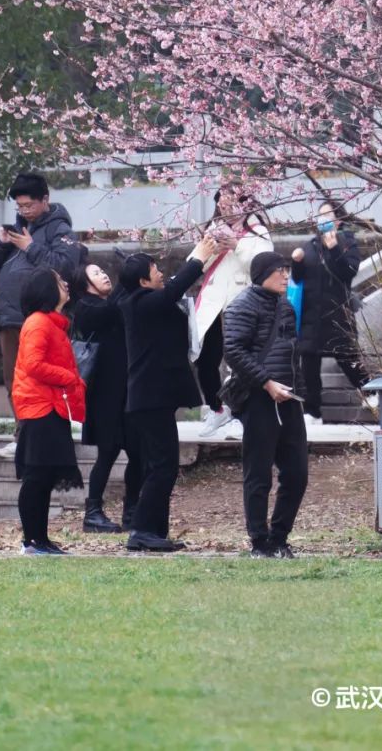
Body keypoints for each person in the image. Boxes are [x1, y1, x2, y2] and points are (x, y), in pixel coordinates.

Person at [118, 233, 218, 552]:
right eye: (154, 268)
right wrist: (198, 256)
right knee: (163, 466)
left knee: (160, 466)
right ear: (143, 281)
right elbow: (174, 287)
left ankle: (155, 531)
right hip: (149, 399)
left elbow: (173, 290)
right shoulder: (139, 304)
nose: (160, 271)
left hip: (153, 399)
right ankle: (142, 530)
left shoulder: (145, 303)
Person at [0, 170, 85, 455]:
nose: (25, 211)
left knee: (40, 379)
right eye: (20, 206)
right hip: (10, 316)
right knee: (14, 380)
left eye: (29, 205)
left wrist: (31, 247)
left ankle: (35, 439)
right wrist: (2, 243)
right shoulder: (17, 227)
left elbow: (66, 267)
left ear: (45, 200)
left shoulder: (59, 229)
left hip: (39, 318)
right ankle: (23, 437)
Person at [223, 249, 307, 558]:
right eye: (280, 271)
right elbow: (233, 350)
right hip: (259, 397)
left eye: (287, 270)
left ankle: (279, 537)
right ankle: (259, 542)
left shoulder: (286, 306)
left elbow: (291, 350)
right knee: (258, 473)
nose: (286, 276)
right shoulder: (241, 306)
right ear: (263, 275)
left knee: (297, 473)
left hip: (288, 398)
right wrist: (266, 383)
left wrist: (297, 390)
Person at [11, 266, 86, 556]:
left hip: (51, 405)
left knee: (43, 478)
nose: (65, 284)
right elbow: (34, 365)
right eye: (58, 281)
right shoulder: (38, 323)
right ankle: (31, 541)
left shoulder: (51, 323)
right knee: (36, 477)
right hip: (39, 407)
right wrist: (70, 377)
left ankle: (40, 540)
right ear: (46, 290)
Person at [190, 189, 273, 435]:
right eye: (222, 205)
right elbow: (192, 265)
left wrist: (236, 246)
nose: (226, 210)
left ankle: (239, 412)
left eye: (231, 204)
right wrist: (208, 249)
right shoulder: (212, 229)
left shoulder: (257, 231)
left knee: (238, 361)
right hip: (212, 304)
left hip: (242, 303)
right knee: (205, 359)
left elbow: (264, 266)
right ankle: (216, 409)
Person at [289, 198, 376, 427]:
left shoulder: (347, 242)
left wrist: (334, 248)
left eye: (329, 216)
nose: (324, 221)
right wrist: (296, 263)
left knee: (347, 357)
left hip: (337, 313)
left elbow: (348, 272)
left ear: (339, 221)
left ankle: (370, 391)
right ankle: (312, 411)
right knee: (308, 365)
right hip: (310, 316)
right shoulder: (310, 245)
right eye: (320, 217)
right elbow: (297, 279)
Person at [71, 262, 141, 534]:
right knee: (108, 452)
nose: (104, 275)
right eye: (96, 273)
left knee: (136, 452)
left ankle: (131, 510)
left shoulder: (106, 304)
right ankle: (93, 512)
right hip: (104, 396)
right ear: (85, 283)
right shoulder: (87, 308)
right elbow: (114, 309)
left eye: (104, 271)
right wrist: (129, 277)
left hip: (123, 391)